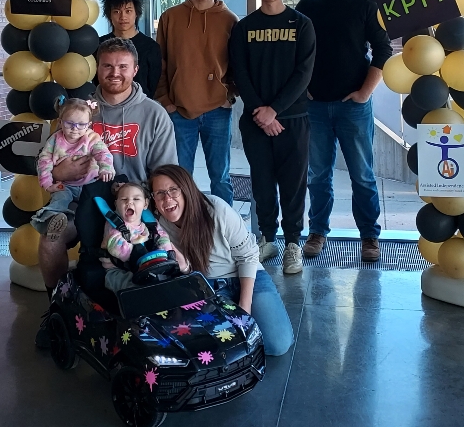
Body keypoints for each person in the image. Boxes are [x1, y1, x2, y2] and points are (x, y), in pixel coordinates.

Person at [37, 37, 178, 314]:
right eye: (107, 66)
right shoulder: (78, 111)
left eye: (123, 66)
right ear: (97, 69)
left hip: (135, 206)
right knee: (49, 239)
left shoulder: (154, 114)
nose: (115, 73)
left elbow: (165, 175)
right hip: (82, 200)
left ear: (135, 70)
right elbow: (49, 154)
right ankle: (57, 309)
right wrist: (57, 172)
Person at [296, 0, 392, 262]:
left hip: (354, 106)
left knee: (362, 175)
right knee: (318, 175)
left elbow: (382, 50)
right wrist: (303, 88)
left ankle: (369, 238)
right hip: (316, 107)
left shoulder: (364, 5)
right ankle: (318, 232)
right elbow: (297, 54)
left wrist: (365, 92)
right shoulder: (307, 6)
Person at [152, 164, 294, 357]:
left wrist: (245, 307)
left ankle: (264, 314)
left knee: (278, 344)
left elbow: (248, 256)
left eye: (173, 190)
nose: (167, 199)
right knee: (218, 349)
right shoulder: (160, 226)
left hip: (248, 276)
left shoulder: (216, 209)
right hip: (210, 287)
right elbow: (183, 272)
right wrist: (183, 266)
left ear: (186, 189)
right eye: (159, 193)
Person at [229, 0, 316, 275]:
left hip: (293, 119)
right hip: (255, 121)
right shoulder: (244, 27)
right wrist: (261, 112)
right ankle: (267, 237)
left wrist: (274, 110)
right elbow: (240, 73)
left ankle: (293, 243)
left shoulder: (301, 24)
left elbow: (303, 74)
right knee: (263, 183)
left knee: (293, 184)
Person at [155, 0, 237, 205]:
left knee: (220, 178)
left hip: (217, 111)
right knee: (179, 179)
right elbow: (161, 62)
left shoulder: (230, 20)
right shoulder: (170, 17)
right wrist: (165, 100)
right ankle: (183, 231)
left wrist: (230, 94)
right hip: (180, 111)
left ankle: (226, 233)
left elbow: (240, 65)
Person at [32, 97, 114, 241]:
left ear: (88, 124)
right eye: (69, 123)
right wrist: (48, 185)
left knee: (99, 202)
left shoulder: (91, 138)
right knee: (60, 198)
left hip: (90, 183)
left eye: (81, 124)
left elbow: (103, 153)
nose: (75, 129)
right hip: (66, 185)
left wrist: (105, 168)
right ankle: (51, 220)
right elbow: (44, 161)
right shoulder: (55, 140)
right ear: (60, 121)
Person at [102, 181, 189, 293]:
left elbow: (162, 236)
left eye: (136, 199)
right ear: (116, 204)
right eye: (124, 199)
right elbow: (114, 245)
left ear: (145, 204)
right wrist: (141, 256)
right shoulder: (114, 224)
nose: (129, 203)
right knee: (132, 288)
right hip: (120, 268)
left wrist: (166, 251)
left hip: (149, 265)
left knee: (170, 281)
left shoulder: (150, 223)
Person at [98, 0, 162, 99]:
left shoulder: (151, 47)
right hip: (105, 106)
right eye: (117, 11)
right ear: (109, 15)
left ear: (136, 14)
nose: (123, 17)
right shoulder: (99, 44)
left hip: (141, 108)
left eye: (128, 11)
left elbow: (153, 85)